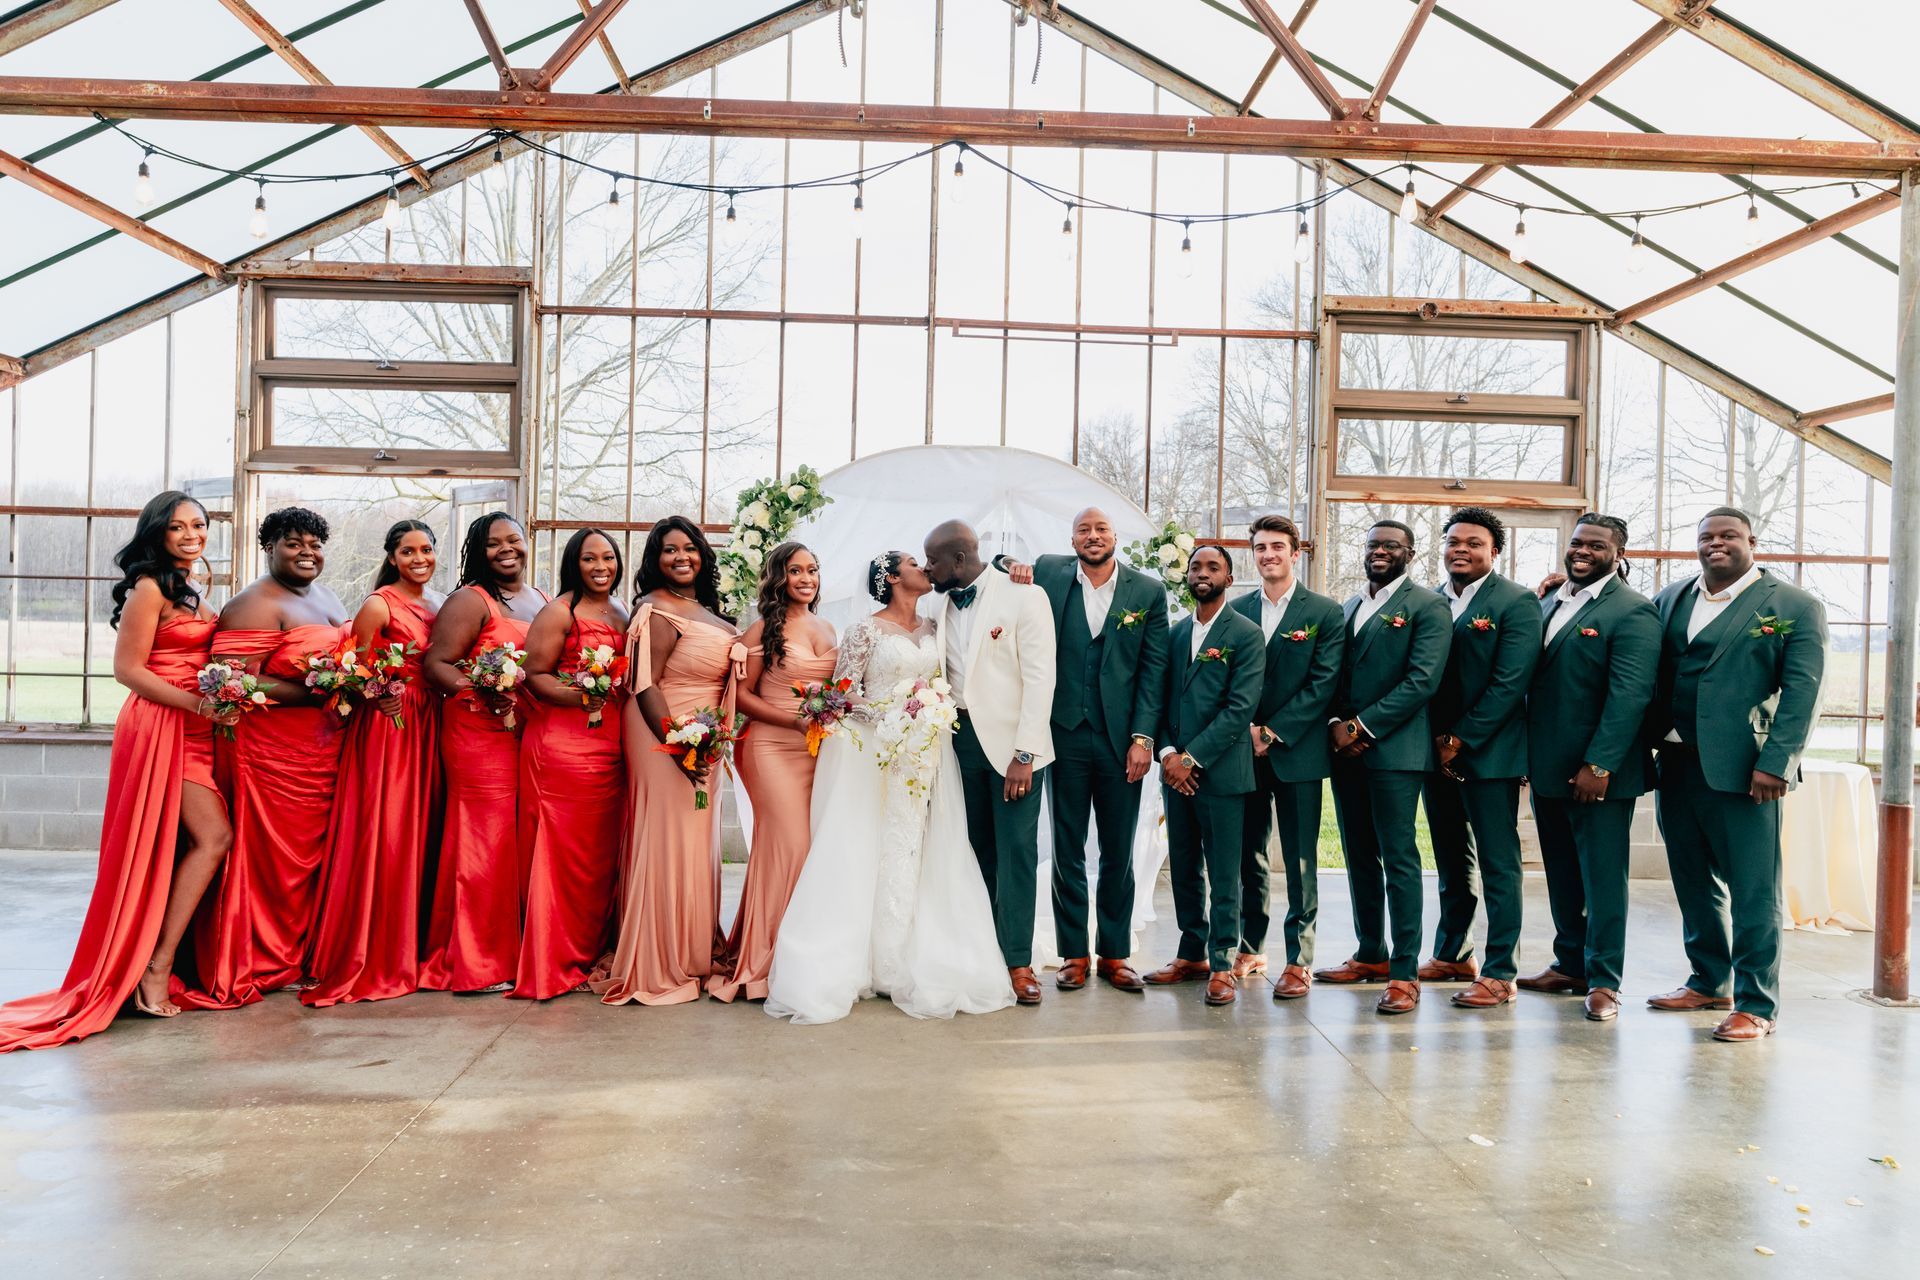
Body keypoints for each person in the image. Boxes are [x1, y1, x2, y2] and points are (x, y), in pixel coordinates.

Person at [0, 493, 236, 1049]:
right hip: (160, 726)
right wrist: (198, 703)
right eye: (176, 527)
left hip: (198, 729)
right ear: (157, 534)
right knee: (214, 836)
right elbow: (127, 671)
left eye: (198, 525)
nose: (190, 534)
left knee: (186, 844)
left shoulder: (196, 590)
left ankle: (161, 960)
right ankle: (155, 966)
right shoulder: (149, 588)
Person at [765, 552, 1014, 1024]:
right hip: (875, 751)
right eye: (915, 563)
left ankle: (906, 951)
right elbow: (843, 690)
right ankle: (867, 956)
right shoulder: (866, 629)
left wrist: (928, 713)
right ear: (892, 577)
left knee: (917, 846)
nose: (926, 568)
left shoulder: (935, 626)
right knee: (873, 842)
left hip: (925, 751)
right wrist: (892, 716)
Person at [1645, 508, 1825, 1042]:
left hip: (1747, 770)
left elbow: (1804, 692)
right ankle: (1708, 979)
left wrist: (1778, 763)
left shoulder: (1792, 605)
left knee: (1752, 889)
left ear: (1752, 542)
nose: (1715, 544)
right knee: (1693, 880)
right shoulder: (1672, 597)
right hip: (1675, 761)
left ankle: (1756, 1003)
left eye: (1728, 536)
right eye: (1706, 537)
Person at [175, 506, 348, 1009]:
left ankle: (296, 956)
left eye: (315, 544)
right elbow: (235, 681)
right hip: (270, 754)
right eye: (293, 543)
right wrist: (316, 687)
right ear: (268, 548)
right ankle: (257, 959)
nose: (307, 553)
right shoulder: (252, 603)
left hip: (323, 749)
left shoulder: (326, 595)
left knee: (312, 862)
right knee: (272, 861)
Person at [1001, 508, 1167, 994]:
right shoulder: (1050, 571)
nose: (1092, 537)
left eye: (1101, 529)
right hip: (1063, 734)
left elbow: (1154, 673)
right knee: (1068, 849)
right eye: (1083, 530)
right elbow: (995, 561)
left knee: (1118, 851)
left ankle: (1114, 954)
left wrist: (1143, 739)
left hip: (1122, 743)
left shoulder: (1147, 591)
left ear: (1115, 536)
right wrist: (1014, 565)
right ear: (1071, 538)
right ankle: (1074, 953)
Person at [592, 517, 741, 1007]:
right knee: (665, 839)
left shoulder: (711, 612)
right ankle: (659, 955)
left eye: (690, 548)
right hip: (663, 733)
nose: (681, 557)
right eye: (669, 550)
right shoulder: (654, 609)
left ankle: (694, 950)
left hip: (706, 738)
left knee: (699, 844)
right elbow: (644, 684)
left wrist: (707, 742)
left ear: (703, 554)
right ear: (655, 560)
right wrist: (678, 745)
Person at [1518, 514, 1660, 1022]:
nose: (1581, 551)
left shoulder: (1633, 612)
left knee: (1602, 880)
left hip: (1598, 774)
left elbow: (1631, 695)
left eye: (1596, 546)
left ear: (1618, 554)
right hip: (1548, 769)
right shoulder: (1549, 601)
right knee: (1561, 873)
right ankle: (1570, 963)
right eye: (1576, 543)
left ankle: (1604, 981)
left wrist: (1599, 764)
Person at [303, 519, 445, 1007]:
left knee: (422, 830)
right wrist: (379, 693)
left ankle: (416, 942)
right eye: (408, 551)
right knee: (388, 830)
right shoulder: (378, 604)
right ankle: (373, 947)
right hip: (391, 725)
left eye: (426, 549)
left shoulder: (439, 603)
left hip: (433, 722)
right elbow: (355, 669)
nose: (419, 559)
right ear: (391, 557)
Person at [1317, 519, 1452, 1015]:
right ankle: (1370, 952)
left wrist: (1362, 727)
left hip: (1395, 751)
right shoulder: (1350, 605)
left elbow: (1422, 680)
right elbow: (1333, 673)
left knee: (1399, 858)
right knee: (1357, 855)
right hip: (1344, 751)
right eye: (1373, 544)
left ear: (1410, 553)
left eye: (1391, 545)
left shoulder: (1427, 605)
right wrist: (1336, 721)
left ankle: (1404, 971)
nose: (1379, 552)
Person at [922, 520, 1058, 1005]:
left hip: (1014, 750)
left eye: (933, 560)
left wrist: (1025, 753)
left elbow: (1041, 681)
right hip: (957, 744)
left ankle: (1018, 962)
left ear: (959, 560)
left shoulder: (1025, 597)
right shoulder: (935, 602)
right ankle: (982, 954)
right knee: (975, 851)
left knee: (1017, 854)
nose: (926, 568)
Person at [419, 512, 549, 994]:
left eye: (513, 539)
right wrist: (482, 689)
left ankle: (518, 949)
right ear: (478, 550)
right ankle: (478, 960)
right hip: (479, 730)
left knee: (518, 840)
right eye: (493, 544)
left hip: (530, 732)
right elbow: (437, 664)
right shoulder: (468, 601)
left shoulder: (541, 598)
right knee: (485, 840)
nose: (506, 549)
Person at [1420, 508, 1542, 1010]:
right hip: (1430, 752)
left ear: (1495, 551)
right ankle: (1452, 953)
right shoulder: (1427, 601)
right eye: (1453, 541)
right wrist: (1434, 741)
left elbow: (1511, 682)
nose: (1460, 549)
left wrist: (1462, 738)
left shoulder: (1516, 602)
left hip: (1489, 754)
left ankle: (1500, 970)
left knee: (1498, 862)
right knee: (1451, 858)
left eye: (1473, 542)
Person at [710, 542, 838, 1003]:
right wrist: (793, 721)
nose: (806, 578)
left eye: (813, 569)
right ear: (778, 577)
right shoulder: (765, 628)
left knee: (806, 849)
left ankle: (799, 955)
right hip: (770, 746)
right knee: (789, 847)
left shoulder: (827, 625)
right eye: (796, 571)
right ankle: (765, 960)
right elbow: (739, 697)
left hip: (815, 750)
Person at [1143, 545, 1264, 1007]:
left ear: (1229, 579)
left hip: (1223, 774)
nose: (1203, 573)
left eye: (1214, 567)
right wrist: (1170, 755)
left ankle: (1222, 962)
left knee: (1224, 870)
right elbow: (1156, 698)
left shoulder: (1246, 634)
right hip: (1175, 773)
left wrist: (1192, 759)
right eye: (1196, 566)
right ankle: (1191, 951)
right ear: (1186, 577)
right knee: (1185, 867)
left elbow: (1240, 708)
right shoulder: (1174, 634)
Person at [1229, 514, 1343, 1001]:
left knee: (1298, 860)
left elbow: (1324, 684)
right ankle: (1251, 945)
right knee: (1247, 855)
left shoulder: (1324, 612)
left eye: (1278, 546)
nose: (1268, 554)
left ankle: (1300, 958)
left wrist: (1271, 733)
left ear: (1295, 554)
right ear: (1252, 555)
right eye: (1260, 548)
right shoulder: (1234, 611)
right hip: (1242, 753)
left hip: (1298, 754)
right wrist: (1245, 732)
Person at [513, 528, 631, 1000]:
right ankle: (555, 954)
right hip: (564, 747)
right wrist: (586, 694)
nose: (600, 566)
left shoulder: (622, 610)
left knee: (599, 857)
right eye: (589, 558)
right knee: (563, 853)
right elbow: (533, 676)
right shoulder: (558, 612)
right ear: (573, 564)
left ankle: (592, 947)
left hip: (612, 746)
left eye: (608, 557)